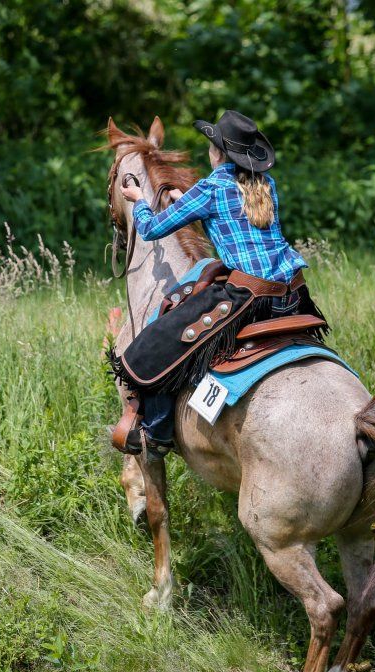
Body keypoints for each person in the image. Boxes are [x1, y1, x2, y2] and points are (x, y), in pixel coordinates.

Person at [114, 110, 324, 458]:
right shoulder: (265, 184)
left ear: (216, 152)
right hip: (293, 294)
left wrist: (138, 201)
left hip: (249, 297)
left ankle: (158, 433)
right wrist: (186, 200)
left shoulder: (211, 188)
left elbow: (150, 229)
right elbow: (239, 218)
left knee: (157, 344)